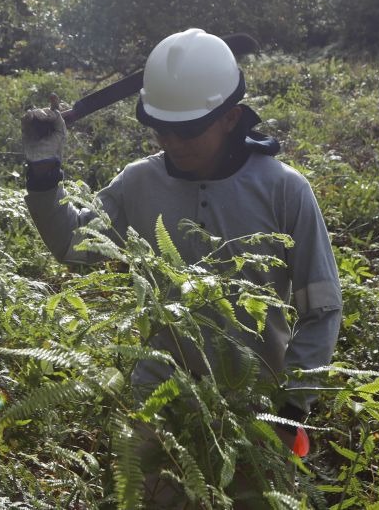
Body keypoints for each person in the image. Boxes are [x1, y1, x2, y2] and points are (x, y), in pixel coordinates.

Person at [20, 29, 341, 468]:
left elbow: (321, 309)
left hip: (255, 407)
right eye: (161, 129)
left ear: (232, 117)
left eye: (187, 130)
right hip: (159, 402)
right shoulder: (137, 182)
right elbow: (75, 245)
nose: (172, 142)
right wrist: (43, 173)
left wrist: (290, 409)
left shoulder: (284, 190)